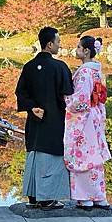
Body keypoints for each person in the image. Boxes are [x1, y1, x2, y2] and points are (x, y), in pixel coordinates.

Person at [16, 26, 73, 209]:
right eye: (58, 41)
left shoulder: (29, 66)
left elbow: (20, 93)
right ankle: (47, 197)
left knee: (34, 154)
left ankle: (33, 196)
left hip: (34, 122)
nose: (60, 44)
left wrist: (32, 107)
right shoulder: (60, 67)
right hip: (54, 121)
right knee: (51, 157)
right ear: (49, 44)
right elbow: (68, 95)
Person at [64, 36, 112, 209]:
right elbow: (99, 97)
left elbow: (81, 99)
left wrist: (65, 99)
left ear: (86, 51)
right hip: (95, 114)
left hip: (85, 118)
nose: (76, 50)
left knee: (83, 155)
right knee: (94, 156)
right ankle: (99, 196)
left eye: (78, 47)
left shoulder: (85, 72)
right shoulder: (97, 70)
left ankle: (85, 197)